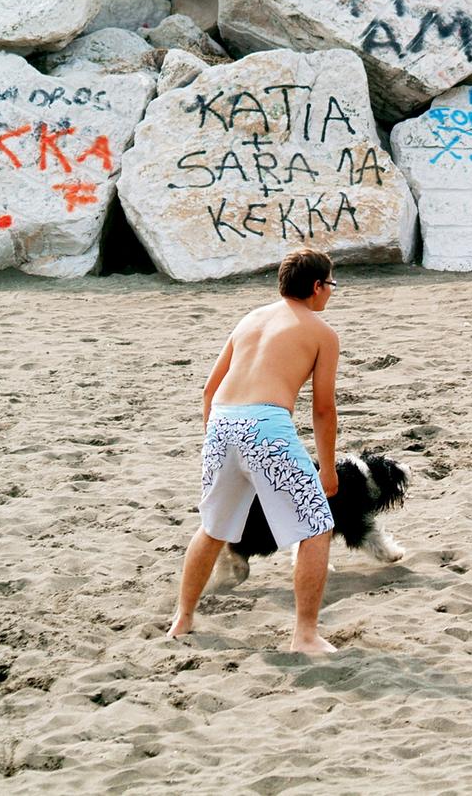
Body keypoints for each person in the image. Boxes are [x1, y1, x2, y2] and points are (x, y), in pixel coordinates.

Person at [167, 249, 341, 653]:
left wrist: (214, 442)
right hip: (265, 426)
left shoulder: (249, 319)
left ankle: (183, 618)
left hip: (223, 422)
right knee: (317, 525)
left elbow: (209, 390)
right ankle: (306, 634)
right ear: (316, 287)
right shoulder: (321, 331)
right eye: (331, 285)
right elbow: (323, 409)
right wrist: (328, 469)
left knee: (213, 528)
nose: (331, 294)